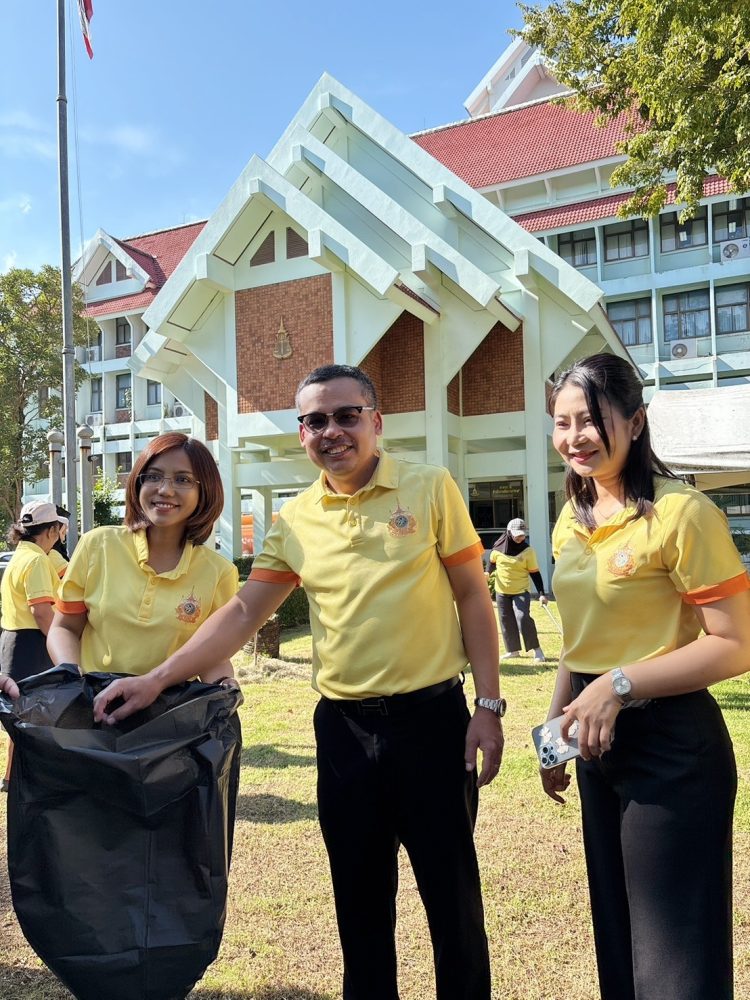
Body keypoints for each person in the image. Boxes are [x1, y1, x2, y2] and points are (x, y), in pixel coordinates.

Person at [91, 364, 505, 1000]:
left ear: (375, 421)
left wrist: (487, 704)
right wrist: (157, 679)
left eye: (346, 416)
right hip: (343, 732)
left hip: (432, 723)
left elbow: (473, 596)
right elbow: (242, 612)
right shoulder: (296, 519)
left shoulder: (429, 487)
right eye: (315, 420)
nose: (331, 430)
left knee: (452, 899)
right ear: (302, 432)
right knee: (359, 905)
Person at [541, 353, 750, 1000]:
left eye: (590, 419)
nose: (574, 437)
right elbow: (578, 643)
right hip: (596, 744)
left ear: (635, 421)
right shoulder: (571, 516)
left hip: (672, 749)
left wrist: (619, 684)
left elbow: (736, 645)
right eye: (561, 422)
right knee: (620, 945)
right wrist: (555, 733)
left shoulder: (681, 512)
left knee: (673, 960)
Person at [47, 432, 239, 684]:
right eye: (153, 476)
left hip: (172, 707)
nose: (165, 490)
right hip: (94, 700)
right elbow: (64, 628)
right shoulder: (98, 545)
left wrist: (224, 685)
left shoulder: (219, 572)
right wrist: (73, 678)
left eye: (182, 479)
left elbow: (211, 655)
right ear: (138, 483)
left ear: (205, 491)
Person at [0, 500, 68, 790]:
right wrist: (59, 645)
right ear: (51, 530)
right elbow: (41, 611)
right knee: (35, 718)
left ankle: (11, 777)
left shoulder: (23, 554)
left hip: (13, 642)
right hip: (33, 643)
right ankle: (26, 779)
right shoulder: (38, 560)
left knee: (23, 717)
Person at [489, 517, 548, 661]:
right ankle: (513, 650)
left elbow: (535, 573)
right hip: (502, 591)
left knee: (522, 617)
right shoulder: (497, 549)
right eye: (517, 535)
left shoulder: (528, 551)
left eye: (522, 535)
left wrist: (541, 594)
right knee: (506, 620)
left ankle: (537, 649)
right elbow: (491, 564)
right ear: (509, 533)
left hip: (520, 591)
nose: (520, 538)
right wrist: (486, 574)